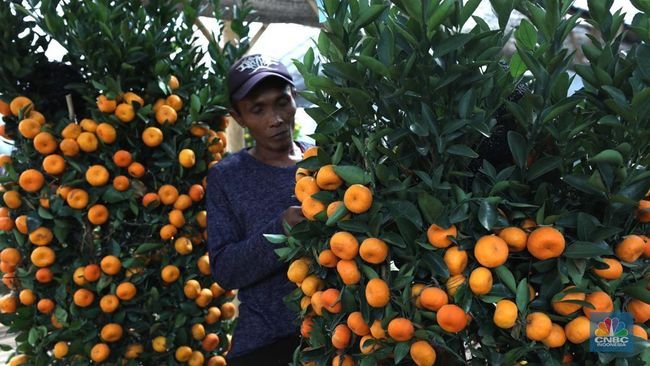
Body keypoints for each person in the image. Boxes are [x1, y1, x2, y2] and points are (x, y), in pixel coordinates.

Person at [206, 54, 308, 365]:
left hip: (336, 333)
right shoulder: (227, 176)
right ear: (238, 117)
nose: (276, 118)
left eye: (282, 102)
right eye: (258, 109)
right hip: (265, 343)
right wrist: (281, 230)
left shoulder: (324, 161)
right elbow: (225, 269)